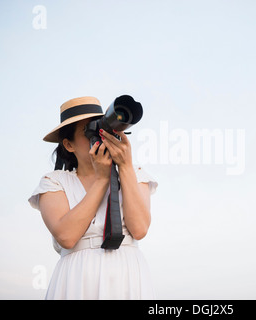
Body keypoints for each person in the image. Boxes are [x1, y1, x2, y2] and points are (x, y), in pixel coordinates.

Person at [28, 96, 158, 299]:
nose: (99, 135)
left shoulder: (136, 173)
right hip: (77, 281)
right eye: (89, 131)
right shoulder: (54, 182)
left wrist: (124, 166)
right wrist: (101, 180)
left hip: (128, 278)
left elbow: (140, 229)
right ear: (69, 145)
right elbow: (67, 237)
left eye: (102, 127)